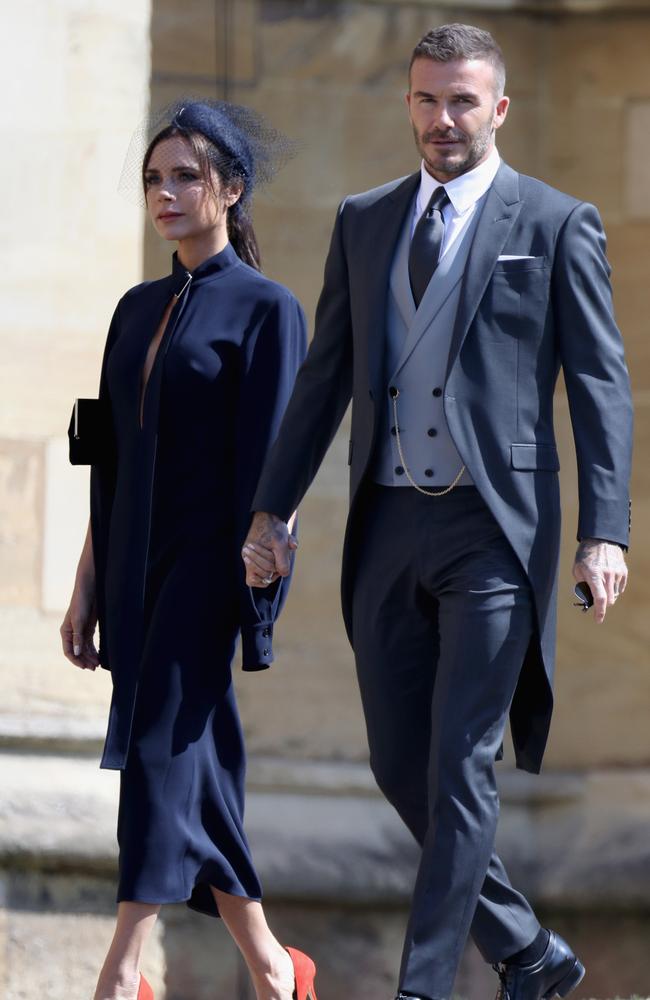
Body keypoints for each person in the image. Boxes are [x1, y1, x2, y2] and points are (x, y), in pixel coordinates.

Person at [241, 23, 633, 1000]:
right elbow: (324, 376)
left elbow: (598, 382)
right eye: (425, 99)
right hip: (386, 524)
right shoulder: (363, 219)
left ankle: (423, 986)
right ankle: (529, 953)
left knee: (460, 761)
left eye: (461, 101)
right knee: (394, 760)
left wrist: (604, 529)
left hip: (494, 531)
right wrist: (269, 512)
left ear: (496, 108)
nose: (441, 119)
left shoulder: (553, 221)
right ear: (408, 103)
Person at [60, 100, 317, 1000]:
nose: (164, 194)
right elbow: (108, 460)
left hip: (213, 565)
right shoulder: (134, 310)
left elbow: (281, 455)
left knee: (163, 741)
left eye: (185, 177)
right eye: (152, 179)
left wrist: (268, 549)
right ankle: (278, 970)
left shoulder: (268, 310)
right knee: (191, 758)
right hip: (132, 565)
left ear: (231, 190)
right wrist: (86, 582)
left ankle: (121, 968)